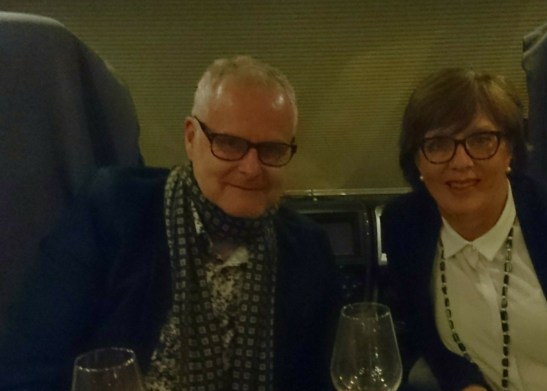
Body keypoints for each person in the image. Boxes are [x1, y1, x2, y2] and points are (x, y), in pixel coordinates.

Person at [0, 56, 342, 391]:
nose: (251, 168)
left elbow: (323, 379)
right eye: (229, 143)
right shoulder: (111, 212)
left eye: (271, 149)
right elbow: (28, 369)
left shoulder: (308, 252)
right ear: (191, 138)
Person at [381, 68, 547, 391]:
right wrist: (464, 383)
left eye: (481, 140)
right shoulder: (405, 225)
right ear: (417, 160)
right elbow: (423, 330)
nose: (461, 162)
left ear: (510, 152)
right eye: (438, 144)